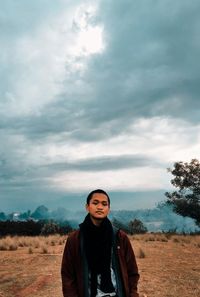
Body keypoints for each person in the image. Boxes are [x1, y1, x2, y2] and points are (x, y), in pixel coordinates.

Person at [61, 189, 140, 297]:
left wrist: (133, 294)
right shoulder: (75, 239)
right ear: (87, 207)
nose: (100, 207)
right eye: (95, 203)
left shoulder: (120, 237)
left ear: (108, 209)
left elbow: (132, 272)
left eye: (104, 204)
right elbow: (68, 275)